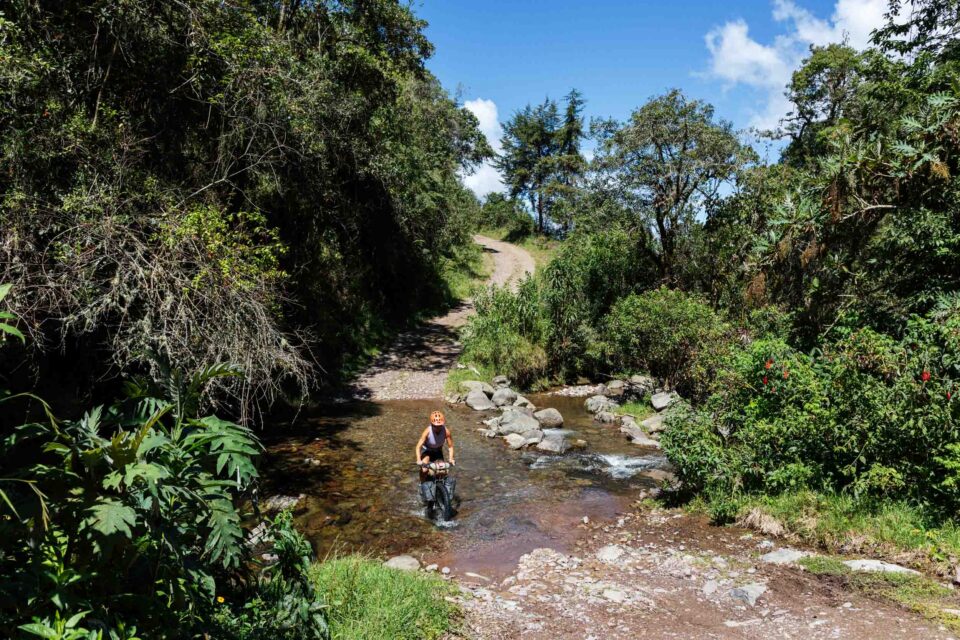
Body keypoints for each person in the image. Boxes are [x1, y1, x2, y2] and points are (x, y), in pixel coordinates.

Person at [415, 411, 455, 476]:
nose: (437, 428)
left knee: (442, 471)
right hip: (427, 451)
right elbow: (418, 447)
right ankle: (422, 482)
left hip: (438, 451)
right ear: (432, 424)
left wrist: (451, 459)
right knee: (424, 469)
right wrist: (418, 460)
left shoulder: (446, 431)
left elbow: (450, 447)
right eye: (435, 426)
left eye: (439, 426)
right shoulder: (427, 431)